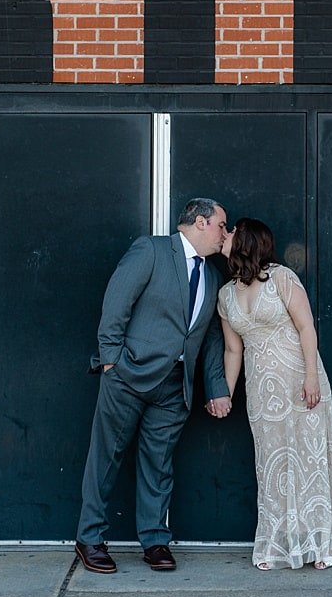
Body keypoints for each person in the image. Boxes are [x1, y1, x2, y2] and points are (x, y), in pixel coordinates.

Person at [75, 196, 233, 574]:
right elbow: (117, 301)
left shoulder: (212, 276)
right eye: (221, 226)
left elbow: (209, 336)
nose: (224, 234)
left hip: (175, 387)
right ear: (199, 222)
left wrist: (216, 387)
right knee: (106, 459)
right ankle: (90, 538)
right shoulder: (152, 249)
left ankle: (155, 540)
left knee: (159, 465)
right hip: (128, 376)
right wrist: (112, 360)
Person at [211, 218, 332, 570]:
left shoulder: (282, 278)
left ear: (246, 240)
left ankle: (320, 543)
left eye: (230, 232)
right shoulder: (225, 295)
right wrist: (224, 393)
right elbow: (232, 350)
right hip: (262, 390)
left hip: (301, 381)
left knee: (309, 461)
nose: (223, 236)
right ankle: (275, 545)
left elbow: (306, 327)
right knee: (271, 467)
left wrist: (312, 377)